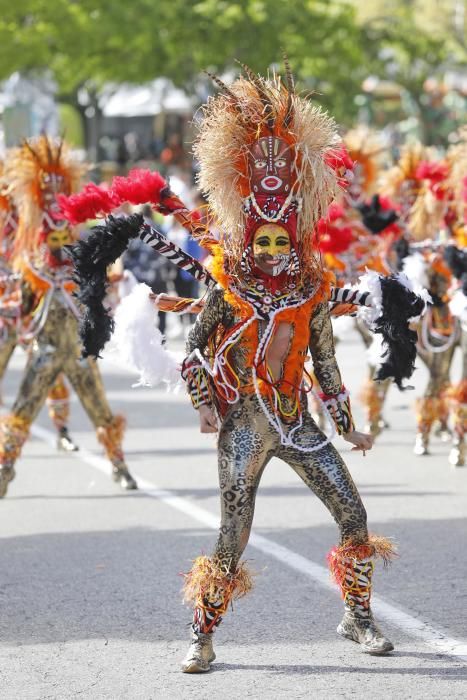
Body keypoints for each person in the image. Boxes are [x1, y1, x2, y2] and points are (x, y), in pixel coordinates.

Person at [178, 62, 397, 673]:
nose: (273, 253)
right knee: (233, 535)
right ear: (249, 238)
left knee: (353, 516)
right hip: (244, 429)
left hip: (298, 424)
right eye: (263, 242)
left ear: (296, 238)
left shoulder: (311, 289)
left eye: (282, 242)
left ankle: (357, 619)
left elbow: (325, 363)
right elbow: (193, 350)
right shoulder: (228, 287)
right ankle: (202, 635)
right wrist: (203, 402)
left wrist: (348, 424)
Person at [0, 135, 137, 498]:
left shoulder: (83, 267)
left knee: (100, 411)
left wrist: (109, 283)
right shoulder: (31, 268)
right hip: (44, 352)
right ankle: (5, 469)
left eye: (64, 231)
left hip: (80, 352)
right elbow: (18, 312)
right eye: (53, 234)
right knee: (22, 409)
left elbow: (99, 295)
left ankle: (119, 465)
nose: (59, 238)